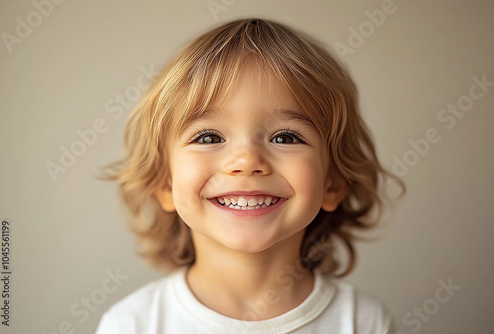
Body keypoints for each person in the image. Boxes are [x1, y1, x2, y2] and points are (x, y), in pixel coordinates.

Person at [96, 18, 405, 333]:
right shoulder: (131, 324)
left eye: (285, 137)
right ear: (165, 182)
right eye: (208, 138)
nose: (246, 161)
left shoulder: (364, 323)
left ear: (333, 183)